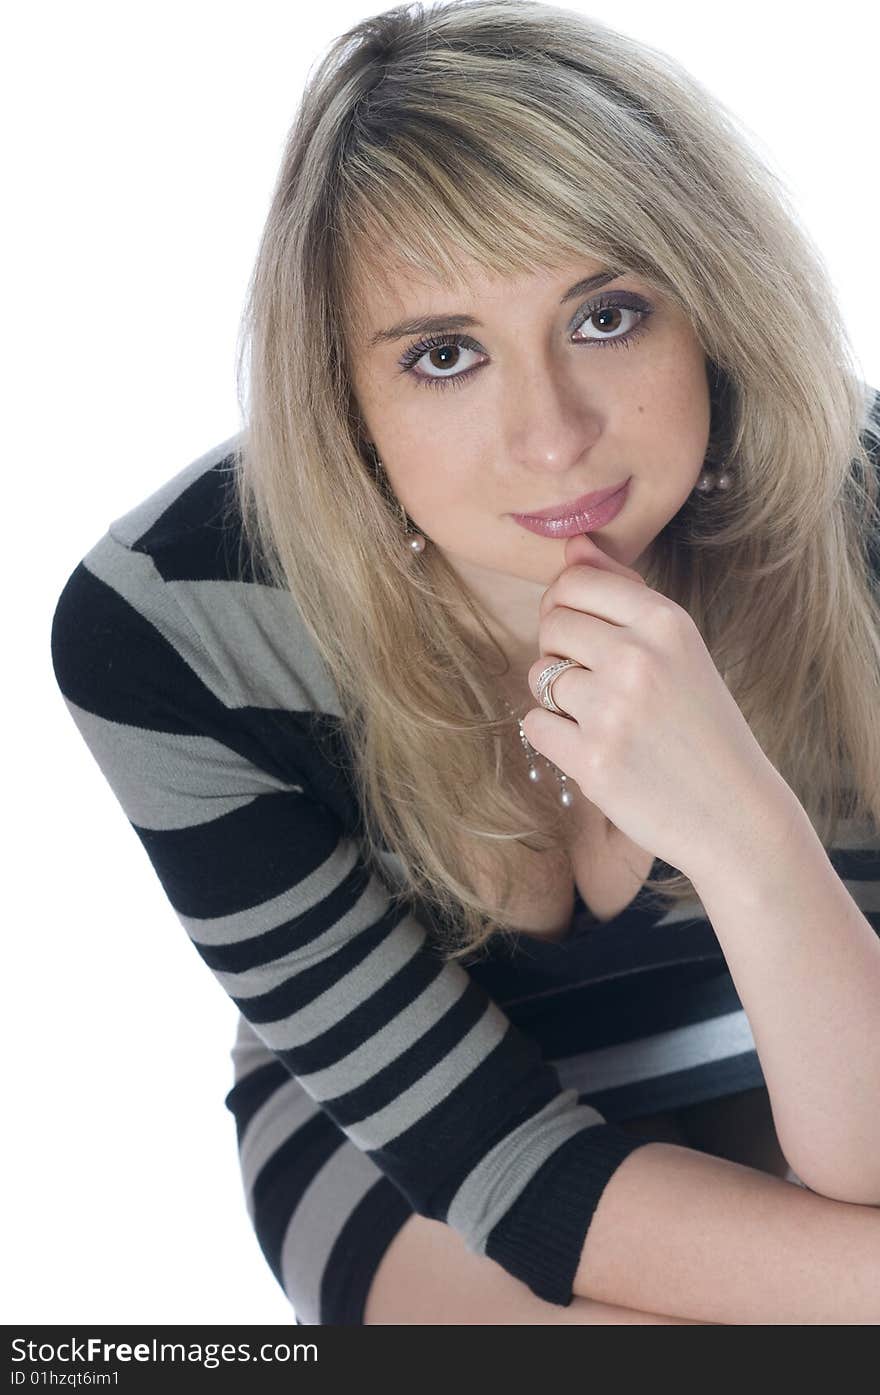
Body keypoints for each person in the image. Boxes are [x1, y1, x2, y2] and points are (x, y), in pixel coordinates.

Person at [50, 0, 880, 1325]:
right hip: (419, 1142)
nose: (550, 437)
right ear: (343, 398)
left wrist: (746, 836)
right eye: (444, 355)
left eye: (606, 314)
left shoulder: (863, 514)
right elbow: (502, 1170)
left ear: (712, 311)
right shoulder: (176, 621)